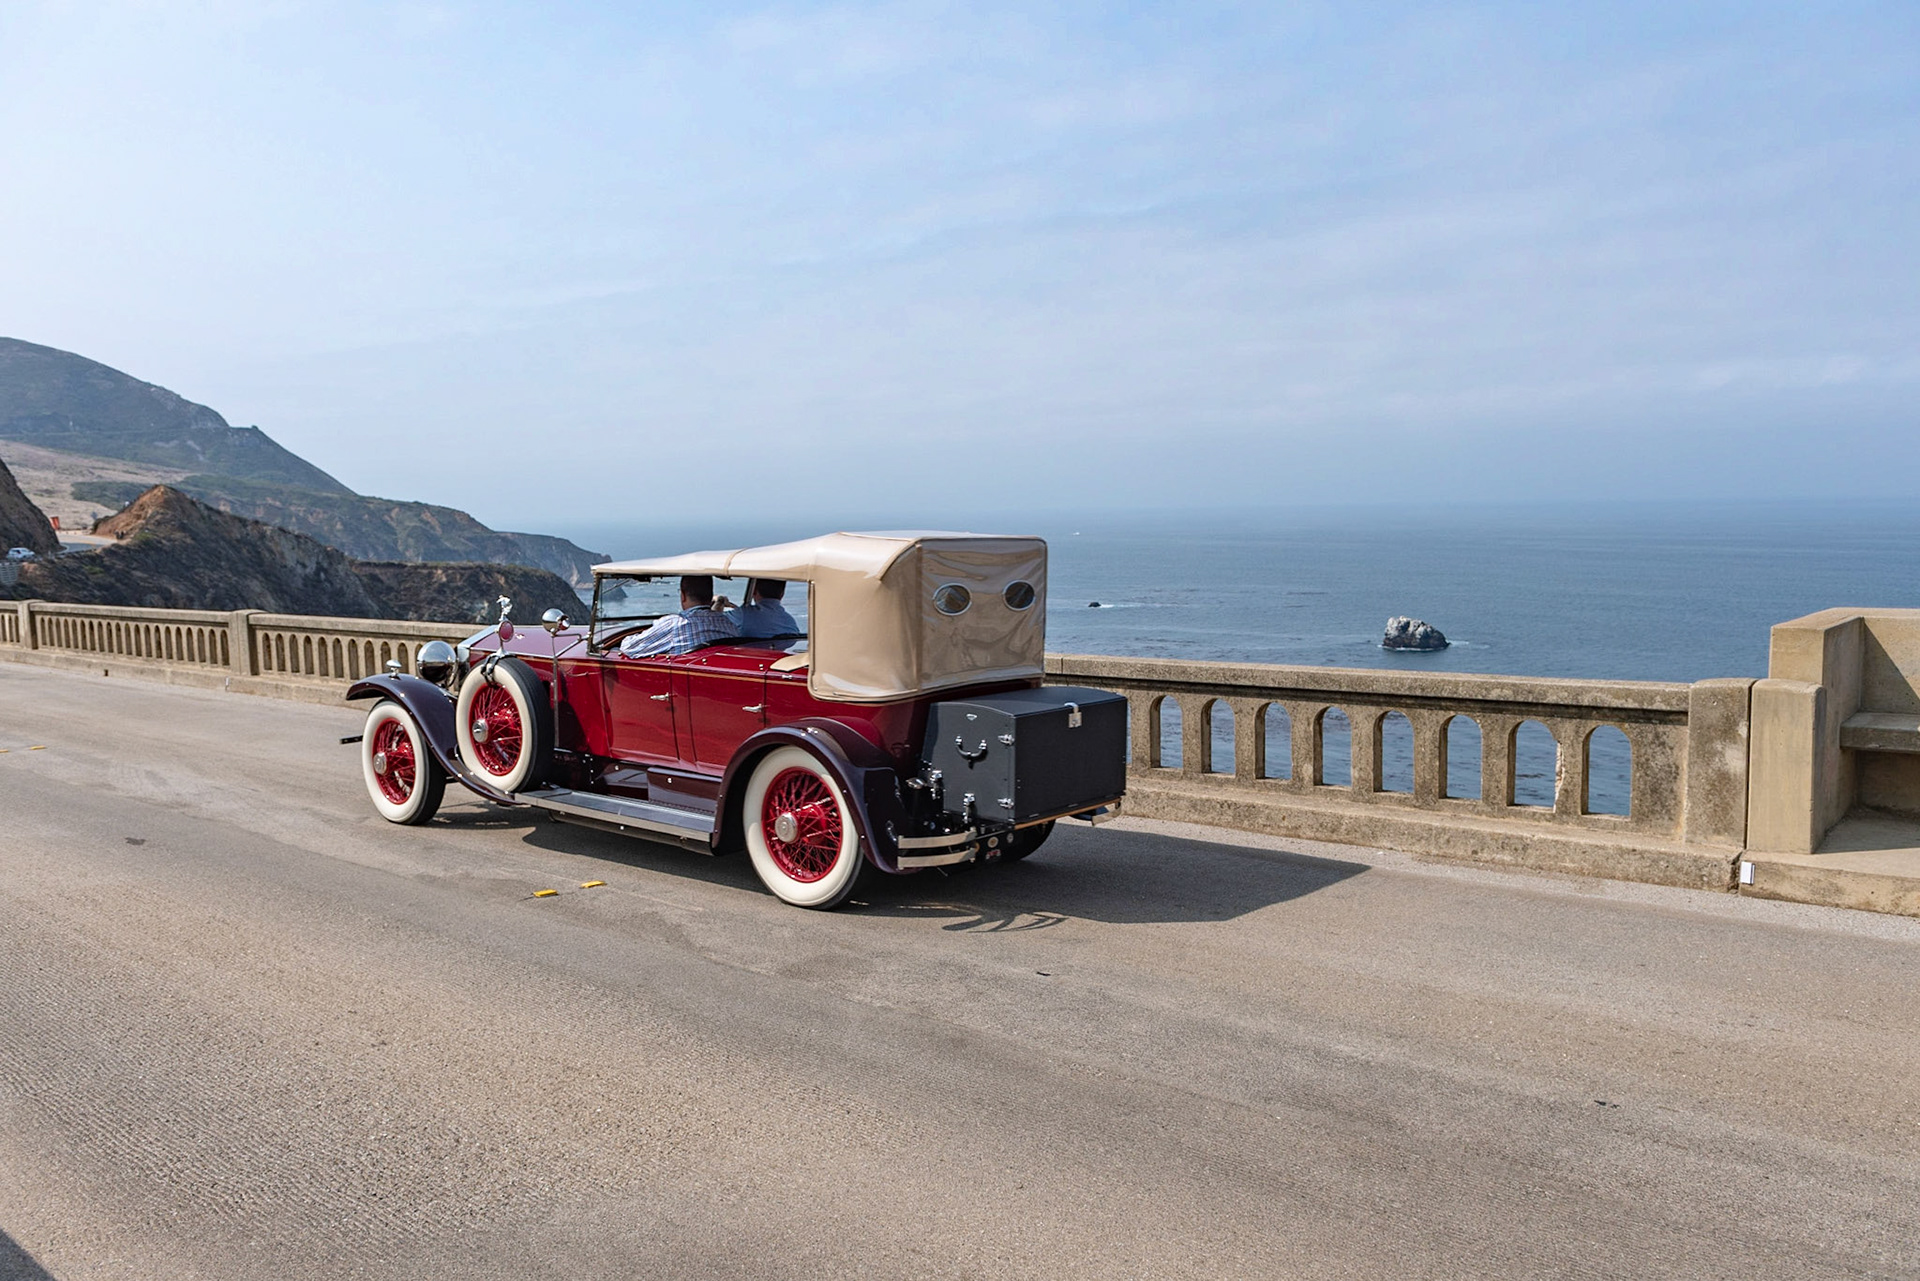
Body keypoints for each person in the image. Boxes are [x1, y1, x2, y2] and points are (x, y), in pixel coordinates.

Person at [620, 575, 739, 657]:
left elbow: (629, 647)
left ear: (683, 596)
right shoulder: (728, 623)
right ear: (710, 596)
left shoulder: (673, 624)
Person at [726, 578, 800, 640]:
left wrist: (719, 603)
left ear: (753, 592)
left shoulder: (742, 614)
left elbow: (718, 620)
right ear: (782, 594)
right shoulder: (789, 621)